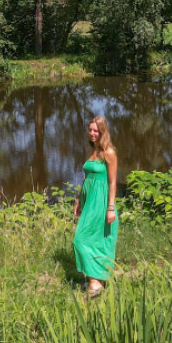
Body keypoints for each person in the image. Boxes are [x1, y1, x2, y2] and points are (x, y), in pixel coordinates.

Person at [73, 114, 118, 297]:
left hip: (101, 202)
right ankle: (95, 281)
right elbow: (86, 179)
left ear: (102, 132)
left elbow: (113, 182)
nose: (92, 133)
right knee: (88, 239)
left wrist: (110, 208)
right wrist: (78, 200)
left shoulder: (109, 152)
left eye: (96, 130)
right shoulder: (93, 152)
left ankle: (95, 282)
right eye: (90, 130)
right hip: (89, 201)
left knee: (84, 239)